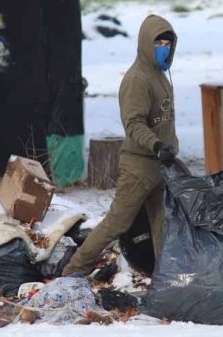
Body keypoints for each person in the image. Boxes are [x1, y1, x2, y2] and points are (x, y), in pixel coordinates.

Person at [62, 14, 179, 276]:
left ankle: (167, 281)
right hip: (139, 168)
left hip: (160, 168)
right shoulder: (138, 79)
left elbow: (164, 120)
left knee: (163, 226)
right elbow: (134, 123)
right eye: (159, 42)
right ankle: (72, 271)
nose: (165, 48)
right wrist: (158, 145)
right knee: (115, 224)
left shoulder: (161, 76)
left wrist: (170, 151)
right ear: (146, 43)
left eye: (168, 43)